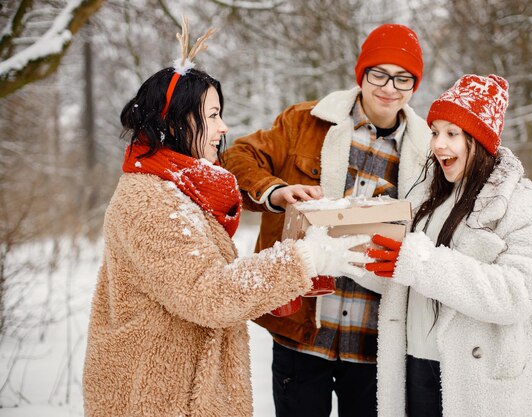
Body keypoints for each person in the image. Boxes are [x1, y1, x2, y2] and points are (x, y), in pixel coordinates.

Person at [81, 20, 370, 417]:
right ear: (178, 121)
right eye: (213, 115)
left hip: (183, 387)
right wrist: (305, 258)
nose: (224, 127)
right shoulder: (151, 200)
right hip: (158, 396)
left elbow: (207, 281)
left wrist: (286, 276)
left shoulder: (181, 189)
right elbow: (209, 294)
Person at [223, 24, 431, 417]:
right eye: (379, 74)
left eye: (403, 77)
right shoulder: (306, 121)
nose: (390, 87)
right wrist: (276, 190)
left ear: (414, 84)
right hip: (303, 329)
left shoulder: (425, 150)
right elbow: (238, 158)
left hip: (374, 339)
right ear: (362, 74)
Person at [363, 74, 532, 417]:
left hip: (477, 379)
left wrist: (420, 263)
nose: (438, 144)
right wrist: (345, 253)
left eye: (452, 134)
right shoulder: (424, 196)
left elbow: (518, 294)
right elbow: (403, 276)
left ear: (480, 140)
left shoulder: (524, 204)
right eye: (435, 131)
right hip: (415, 367)